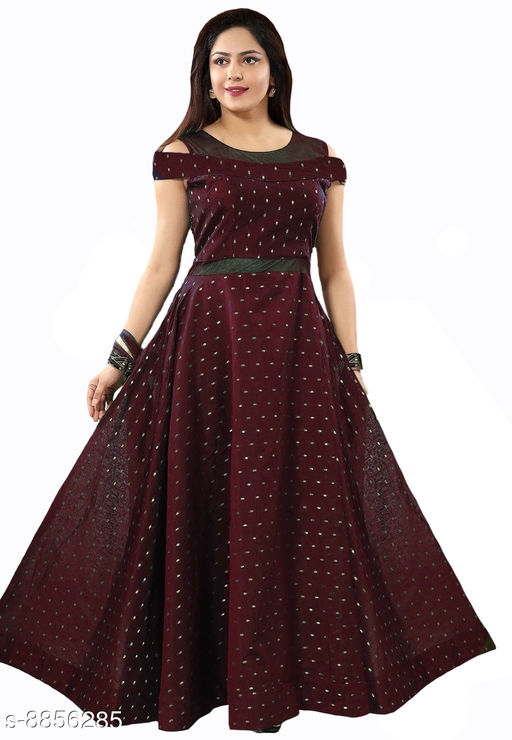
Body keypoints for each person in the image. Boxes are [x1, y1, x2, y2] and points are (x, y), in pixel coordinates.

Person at [0, 7, 495, 735]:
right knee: (195, 502)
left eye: (248, 59)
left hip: (298, 352)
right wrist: (119, 357)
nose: (233, 73)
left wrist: (353, 360)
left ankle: (280, 682)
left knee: (302, 509)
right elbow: (162, 263)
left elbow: (337, 269)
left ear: (274, 71)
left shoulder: (320, 157)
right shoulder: (181, 153)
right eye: (219, 62)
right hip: (207, 348)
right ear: (205, 77)